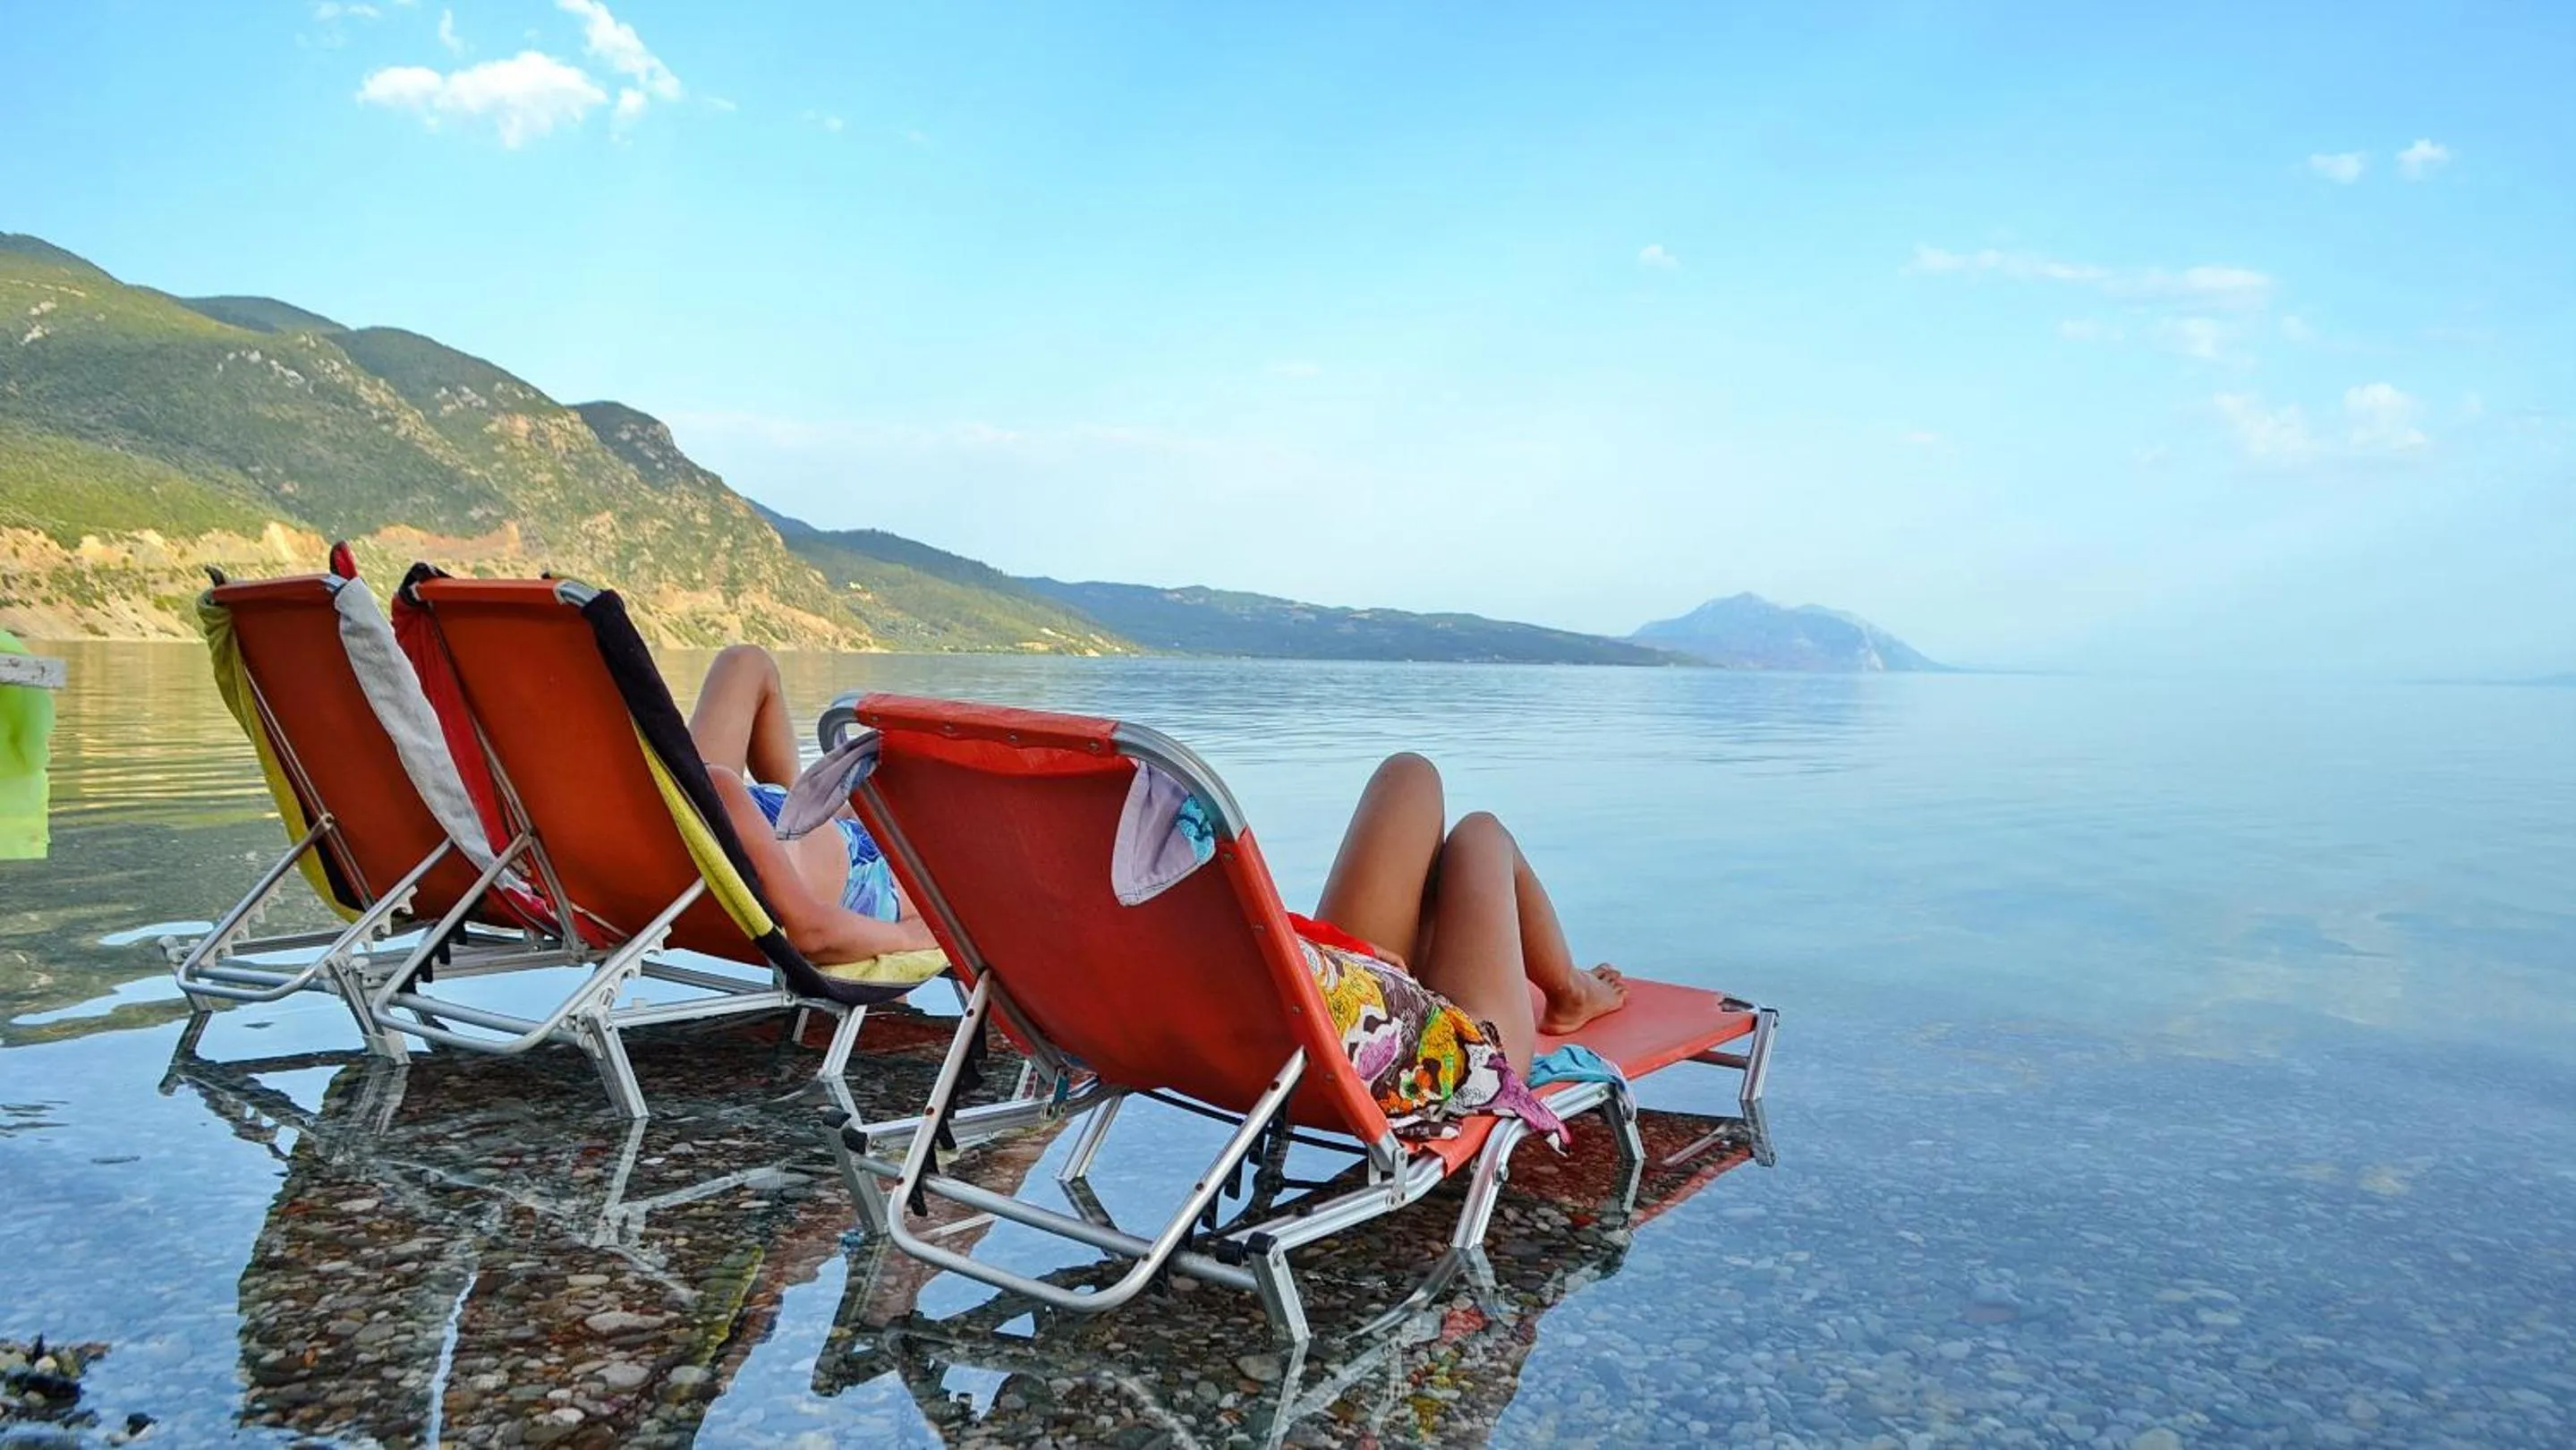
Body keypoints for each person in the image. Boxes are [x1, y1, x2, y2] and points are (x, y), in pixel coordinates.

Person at [1306, 751, 1628, 1086]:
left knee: (1409, 774)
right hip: (1421, 1070)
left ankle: (1426, 975)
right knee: (1481, 835)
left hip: (1308, 1016)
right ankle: (1570, 990)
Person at [686, 644, 938, 963]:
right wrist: (910, 937)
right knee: (900, 781)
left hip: (770, 828)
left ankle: (808, 802)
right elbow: (811, 934)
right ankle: (810, 804)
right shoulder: (717, 789)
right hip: (868, 882)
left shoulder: (701, 788)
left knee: (744, 662)